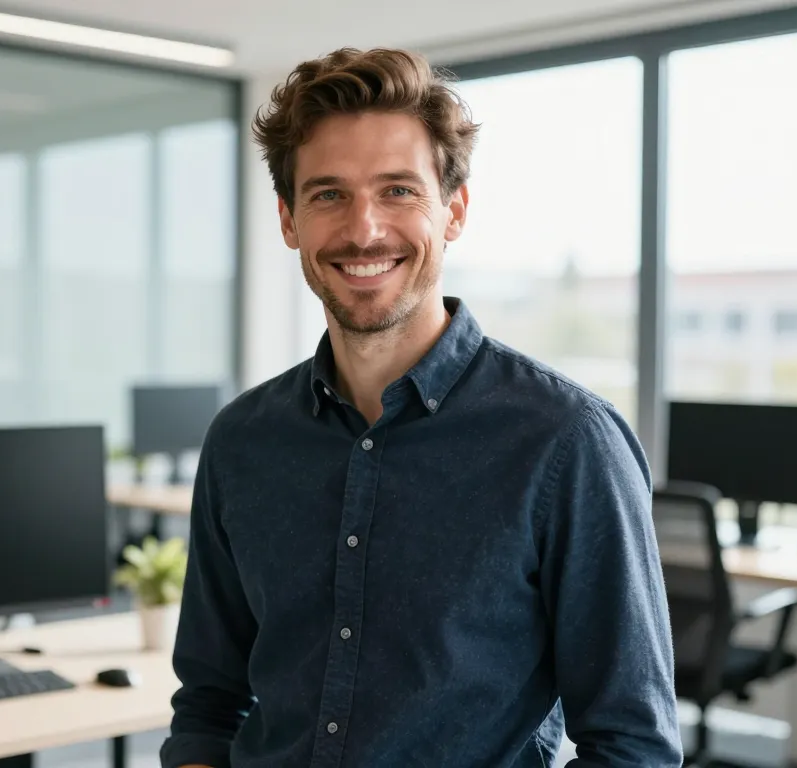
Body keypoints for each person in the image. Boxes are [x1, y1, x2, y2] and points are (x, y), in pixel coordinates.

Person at [160, 47, 681, 768]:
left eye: (398, 190)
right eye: (328, 194)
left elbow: (633, 746)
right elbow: (211, 700)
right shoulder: (242, 441)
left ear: (454, 210)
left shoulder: (566, 442)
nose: (364, 229)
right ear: (288, 219)